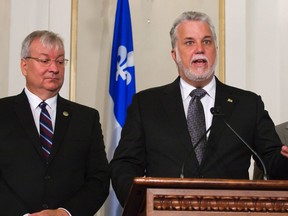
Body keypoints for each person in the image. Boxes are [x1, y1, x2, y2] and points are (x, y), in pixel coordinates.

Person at [110, 11, 288, 207]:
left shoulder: (247, 104)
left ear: (215, 50)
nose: (200, 49)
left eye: (207, 41)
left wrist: (285, 159)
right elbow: (125, 165)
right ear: (174, 54)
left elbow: (272, 162)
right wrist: (141, 204)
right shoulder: (146, 104)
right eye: (189, 43)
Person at [0, 30, 110, 216]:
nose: (54, 68)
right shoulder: (3, 112)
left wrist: (65, 213)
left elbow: (98, 179)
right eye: (45, 61)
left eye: (60, 61)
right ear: (24, 66)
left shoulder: (86, 118)